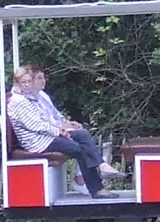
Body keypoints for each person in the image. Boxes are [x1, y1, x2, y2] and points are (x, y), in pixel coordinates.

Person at [7, 65, 117, 197]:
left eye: (29, 81)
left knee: (82, 134)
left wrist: (62, 127)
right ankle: (96, 188)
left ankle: (101, 165)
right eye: (23, 82)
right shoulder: (19, 101)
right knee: (78, 149)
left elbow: (47, 117)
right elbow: (35, 125)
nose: (26, 85)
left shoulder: (31, 96)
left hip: (45, 135)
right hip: (36, 141)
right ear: (16, 83)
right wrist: (59, 131)